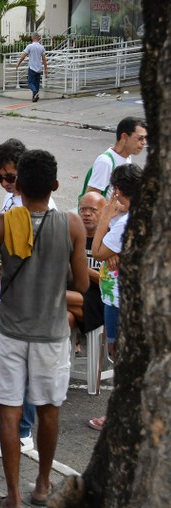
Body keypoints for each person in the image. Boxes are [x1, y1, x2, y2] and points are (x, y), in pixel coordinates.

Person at [0, 150, 88, 508]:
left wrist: (2, 267)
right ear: (54, 185)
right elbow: (83, 283)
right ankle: (41, 485)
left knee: (10, 411)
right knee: (49, 409)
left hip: (10, 332)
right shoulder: (72, 224)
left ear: (17, 185)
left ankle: (13, 500)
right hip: (52, 334)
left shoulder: (2, 224)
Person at [0, 138, 56, 457]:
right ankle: (6, 423)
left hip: (24, 301)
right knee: (6, 368)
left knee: (24, 371)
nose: (6, 184)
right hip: (0, 295)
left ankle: (22, 433)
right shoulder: (11, 201)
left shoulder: (44, 209)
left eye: (10, 177)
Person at [88, 164, 142, 435]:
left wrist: (105, 218)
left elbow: (98, 251)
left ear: (118, 191)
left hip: (120, 301)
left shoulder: (122, 225)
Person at [66, 192, 107, 353]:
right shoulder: (73, 235)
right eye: (82, 209)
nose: (86, 214)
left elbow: (108, 281)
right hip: (77, 293)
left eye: (92, 210)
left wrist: (80, 267)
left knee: (51, 296)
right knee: (66, 317)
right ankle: (58, 368)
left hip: (101, 298)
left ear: (104, 212)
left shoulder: (110, 239)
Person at [83, 117, 147, 199]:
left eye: (145, 138)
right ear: (124, 137)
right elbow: (90, 200)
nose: (144, 142)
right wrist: (120, 208)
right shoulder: (106, 162)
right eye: (140, 138)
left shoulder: (127, 158)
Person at [15, 33, 48, 102]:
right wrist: (46, 69)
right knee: (36, 83)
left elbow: (23, 56)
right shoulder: (42, 47)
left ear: (32, 38)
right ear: (38, 38)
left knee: (30, 82)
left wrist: (18, 63)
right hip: (39, 68)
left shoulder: (30, 46)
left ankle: (35, 92)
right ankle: (34, 97)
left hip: (32, 67)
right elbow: (44, 59)